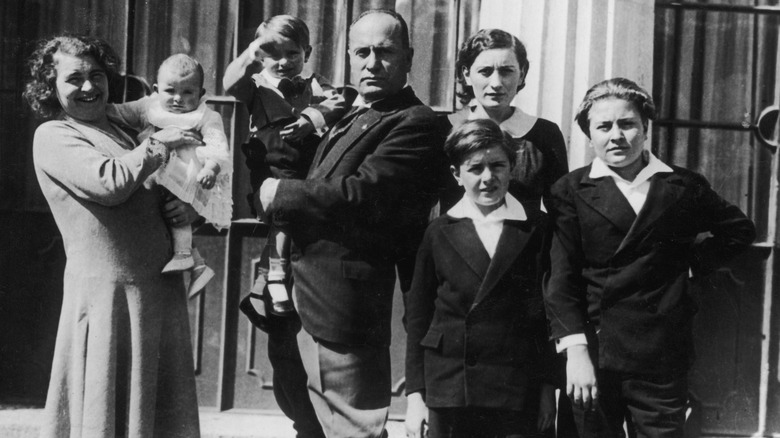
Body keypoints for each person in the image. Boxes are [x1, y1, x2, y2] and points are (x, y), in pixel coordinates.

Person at [253, 9, 450, 438]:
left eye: (385, 51)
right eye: (362, 52)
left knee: (352, 429)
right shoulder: (343, 108)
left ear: (408, 56)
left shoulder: (416, 123)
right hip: (291, 296)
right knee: (306, 423)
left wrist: (280, 193)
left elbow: (363, 195)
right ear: (348, 54)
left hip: (341, 306)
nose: (372, 63)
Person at [544, 77, 757, 437]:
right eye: (604, 126)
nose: (616, 136)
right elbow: (561, 279)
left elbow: (739, 230)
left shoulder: (681, 186)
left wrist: (687, 267)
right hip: (595, 352)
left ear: (645, 127)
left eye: (627, 124)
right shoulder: (569, 191)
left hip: (660, 351)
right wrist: (575, 352)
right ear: (588, 133)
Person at [24, 35, 203, 437]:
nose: (89, 87)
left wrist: (188, 208)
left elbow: (164, 187)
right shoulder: (55, 135)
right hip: (107, 297)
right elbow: (108, 183)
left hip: (156, 290)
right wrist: (159, 143)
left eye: (97, 75)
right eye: (74, 79)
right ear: (50, 87)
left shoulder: (123, 127)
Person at [224, 13, 352, 438]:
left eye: (292, 54)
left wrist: (314, 118)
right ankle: (274, 274)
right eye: (272, 54)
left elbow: (342, 101)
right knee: (276, 212)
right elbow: (228, 82)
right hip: (270, 172)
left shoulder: (318, 87)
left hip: (309, 183)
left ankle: (278, 274)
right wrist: (253, 53)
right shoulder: (256, 87)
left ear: (308, 55)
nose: (283, 62)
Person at [404, 119, 556, 438]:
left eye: (498, 165)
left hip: (516, 386)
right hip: (450, 385)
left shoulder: (535, 228)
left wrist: (547, 388)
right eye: (475, 168)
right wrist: (416, 396)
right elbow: (418, 317)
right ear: (457, 175)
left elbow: (545, 315)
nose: (488, 178)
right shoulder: (439, 231)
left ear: (512, 168)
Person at [108, 53, 233, 297]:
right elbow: (119, 113)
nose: (178, 99)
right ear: (156, 90)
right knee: (165, 212)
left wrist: (211, 167)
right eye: (170, 91)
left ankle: (185, 255)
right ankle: (196, 264)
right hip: (155, 172)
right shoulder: (148, 107)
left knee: (177, 211)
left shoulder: (207, 116)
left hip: (187, 173)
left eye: (188, 92)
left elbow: (218, 146)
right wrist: (100, 109)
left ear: (200, 92)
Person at [450, 28, 568, 211]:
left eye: (506, 71)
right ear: (466, 74)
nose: (496, 83)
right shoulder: (445, 129)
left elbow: (561, 212)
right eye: (485, 71)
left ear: (521, 74)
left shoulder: (545, 135)